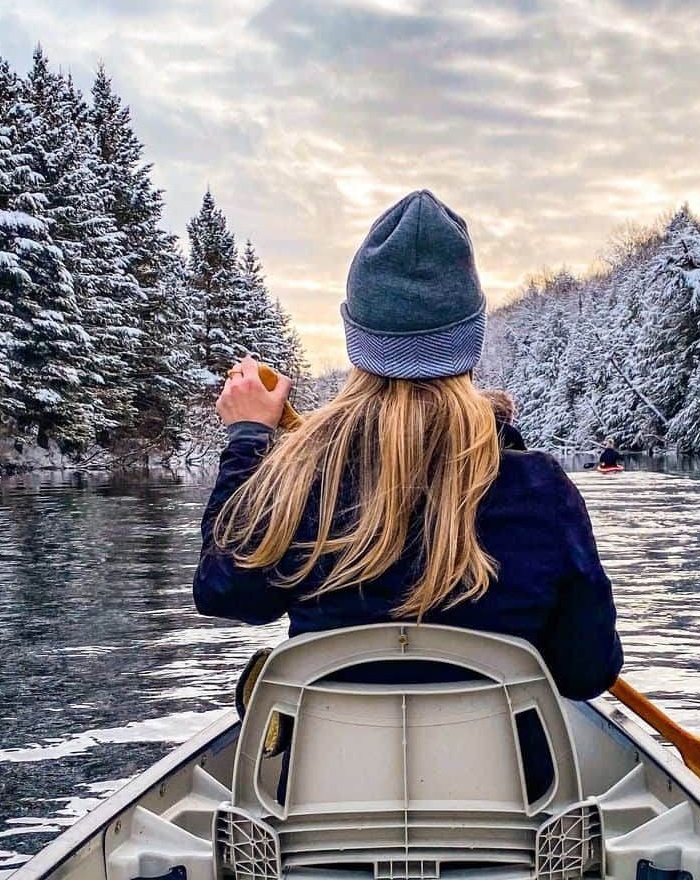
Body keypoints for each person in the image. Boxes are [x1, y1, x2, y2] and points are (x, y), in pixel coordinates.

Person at [194, 189, 623, 702]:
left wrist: (248, 441)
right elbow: (585, 674)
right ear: (470, 343)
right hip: (497, 783)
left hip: (331, 781)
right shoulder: (540, 489)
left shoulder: (301, 478)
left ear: (358, 342)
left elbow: (227, 595)